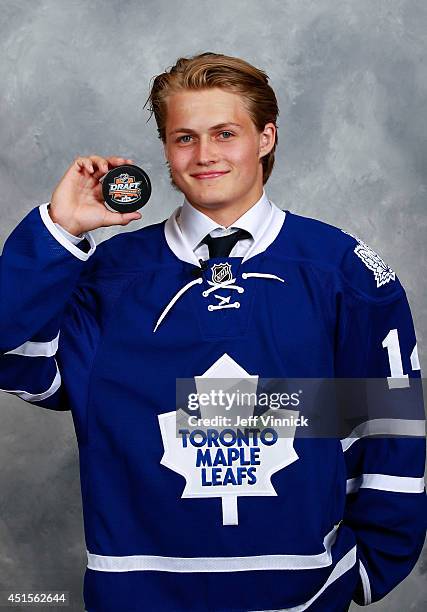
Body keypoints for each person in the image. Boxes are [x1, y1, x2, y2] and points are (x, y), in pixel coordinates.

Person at [0, 52, 425, 612]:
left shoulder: (340, 269)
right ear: (166, 150)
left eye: (225, 133)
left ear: (265, 137)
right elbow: (13, 353)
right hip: (138, 597)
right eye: (184, 138)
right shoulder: (109, 275)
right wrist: (59, 232)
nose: (204, 156)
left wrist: (365, 569)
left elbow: (388, 423)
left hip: (304, 594)